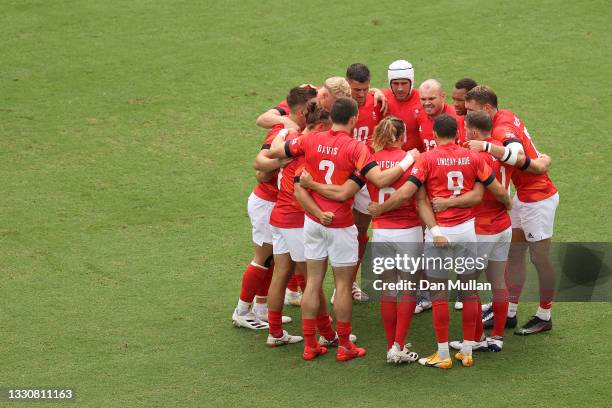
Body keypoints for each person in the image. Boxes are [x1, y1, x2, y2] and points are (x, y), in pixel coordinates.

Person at [269, 97, 415, 361]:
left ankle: (310, 344)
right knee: (343, 285)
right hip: (340, 223)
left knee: (312, 283)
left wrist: (284, 129)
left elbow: (278, 152)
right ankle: (345, 344)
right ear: (354, 119)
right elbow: (380, 179)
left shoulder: (310, 140)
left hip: (313, 221)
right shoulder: (356, 148)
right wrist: (408, 160)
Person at [368, 114, 511, 368]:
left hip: (439, 234)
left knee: (439, 295)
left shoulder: (426, 159)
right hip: (467, 232)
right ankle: (467, 350)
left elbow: (410, 195)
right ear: (458, 134)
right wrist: (508, 203)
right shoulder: (473, 156)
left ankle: (443, 354)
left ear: (433, 135)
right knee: (469, 291)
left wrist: (385, 210)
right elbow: (496, 190)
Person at [300, 116, 421, 364]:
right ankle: (396, 346)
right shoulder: (414, 160)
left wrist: (312, 184)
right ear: (402, 136)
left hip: (382, 233)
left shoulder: (368, 162)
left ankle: (386, 345)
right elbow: (418, 197)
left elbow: (350, 190)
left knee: (388, 290)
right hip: (408, 231)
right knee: (407, 290)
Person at [464, 85, 559, 335]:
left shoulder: (500, 128)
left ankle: (545, 314)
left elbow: (516, 155)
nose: (469, 117)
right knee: (515, 255)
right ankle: (510, 312)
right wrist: (540, 162)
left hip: (538, 199)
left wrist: (485, 147)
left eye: (472, 111)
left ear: (486, 108)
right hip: (524, 197)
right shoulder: (504, 116)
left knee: (540, 259)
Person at [232, 87, 316, 330]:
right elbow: (259, 168)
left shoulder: (296, 128)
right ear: (301, 112)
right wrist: (281, 161)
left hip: (275, 202)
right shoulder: (282, 131)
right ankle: (242, 310)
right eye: (311, 109)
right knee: (263, 258)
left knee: (276, 260)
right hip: (267, 202)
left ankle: (260, 309)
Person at [264, 102, 334, 346]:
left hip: (278, 217)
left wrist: (283, 130)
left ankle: (275, 332)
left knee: (281, 274)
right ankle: (327, 334)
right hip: (295, 219)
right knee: (312, 281)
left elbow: (270, 154)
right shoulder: (309, 151)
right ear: (321, 126)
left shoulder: (290, 139)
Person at [343, 63, 384, 302]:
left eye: (364, 89)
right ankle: (297, 286)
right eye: (355, 89)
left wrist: (376, 92)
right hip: (340, 174)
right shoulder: (336, 102)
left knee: (359, 230)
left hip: (365, 175)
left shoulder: (377, 101)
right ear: (346, 83)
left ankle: (348, 283)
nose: (360, 94)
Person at [256, 77, 386, 131]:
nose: (339, 107)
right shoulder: (305, 97)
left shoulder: (334, 95)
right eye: (336, 102)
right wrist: (290, 124)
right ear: (324, 96)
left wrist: (375, 91)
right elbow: (262, 119)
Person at [383, 60, 423, 151]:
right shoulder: (382, 99)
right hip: (392, 161)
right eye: (395, 84)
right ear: (390, 83)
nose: (400, 88)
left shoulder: (423, 101)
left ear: (411, 82)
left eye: (404, 83)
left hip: (418, 159)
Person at [416, 79, 460, 152]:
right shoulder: (419, 115)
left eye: (431, 99)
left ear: (443, 96)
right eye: (423, 99)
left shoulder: (456, 118)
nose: (427, 103)